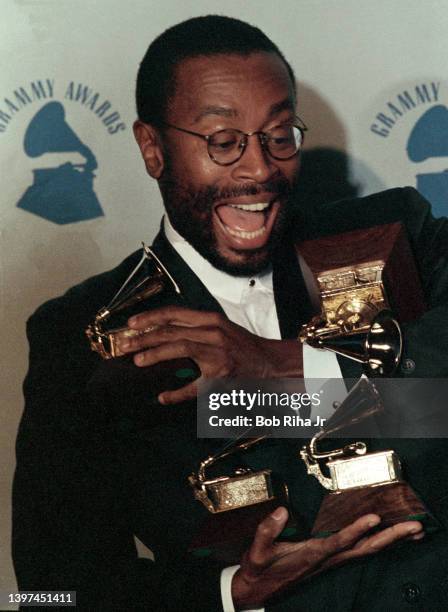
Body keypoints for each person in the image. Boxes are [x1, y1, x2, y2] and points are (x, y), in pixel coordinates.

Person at [12, 15, 448, 612]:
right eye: (223, 141)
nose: (260, 169)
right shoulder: (82, 336)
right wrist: (231, 593)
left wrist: (283, 367)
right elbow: (48, 593)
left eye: (278, 134)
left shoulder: (390, 234)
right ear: (152, 147)